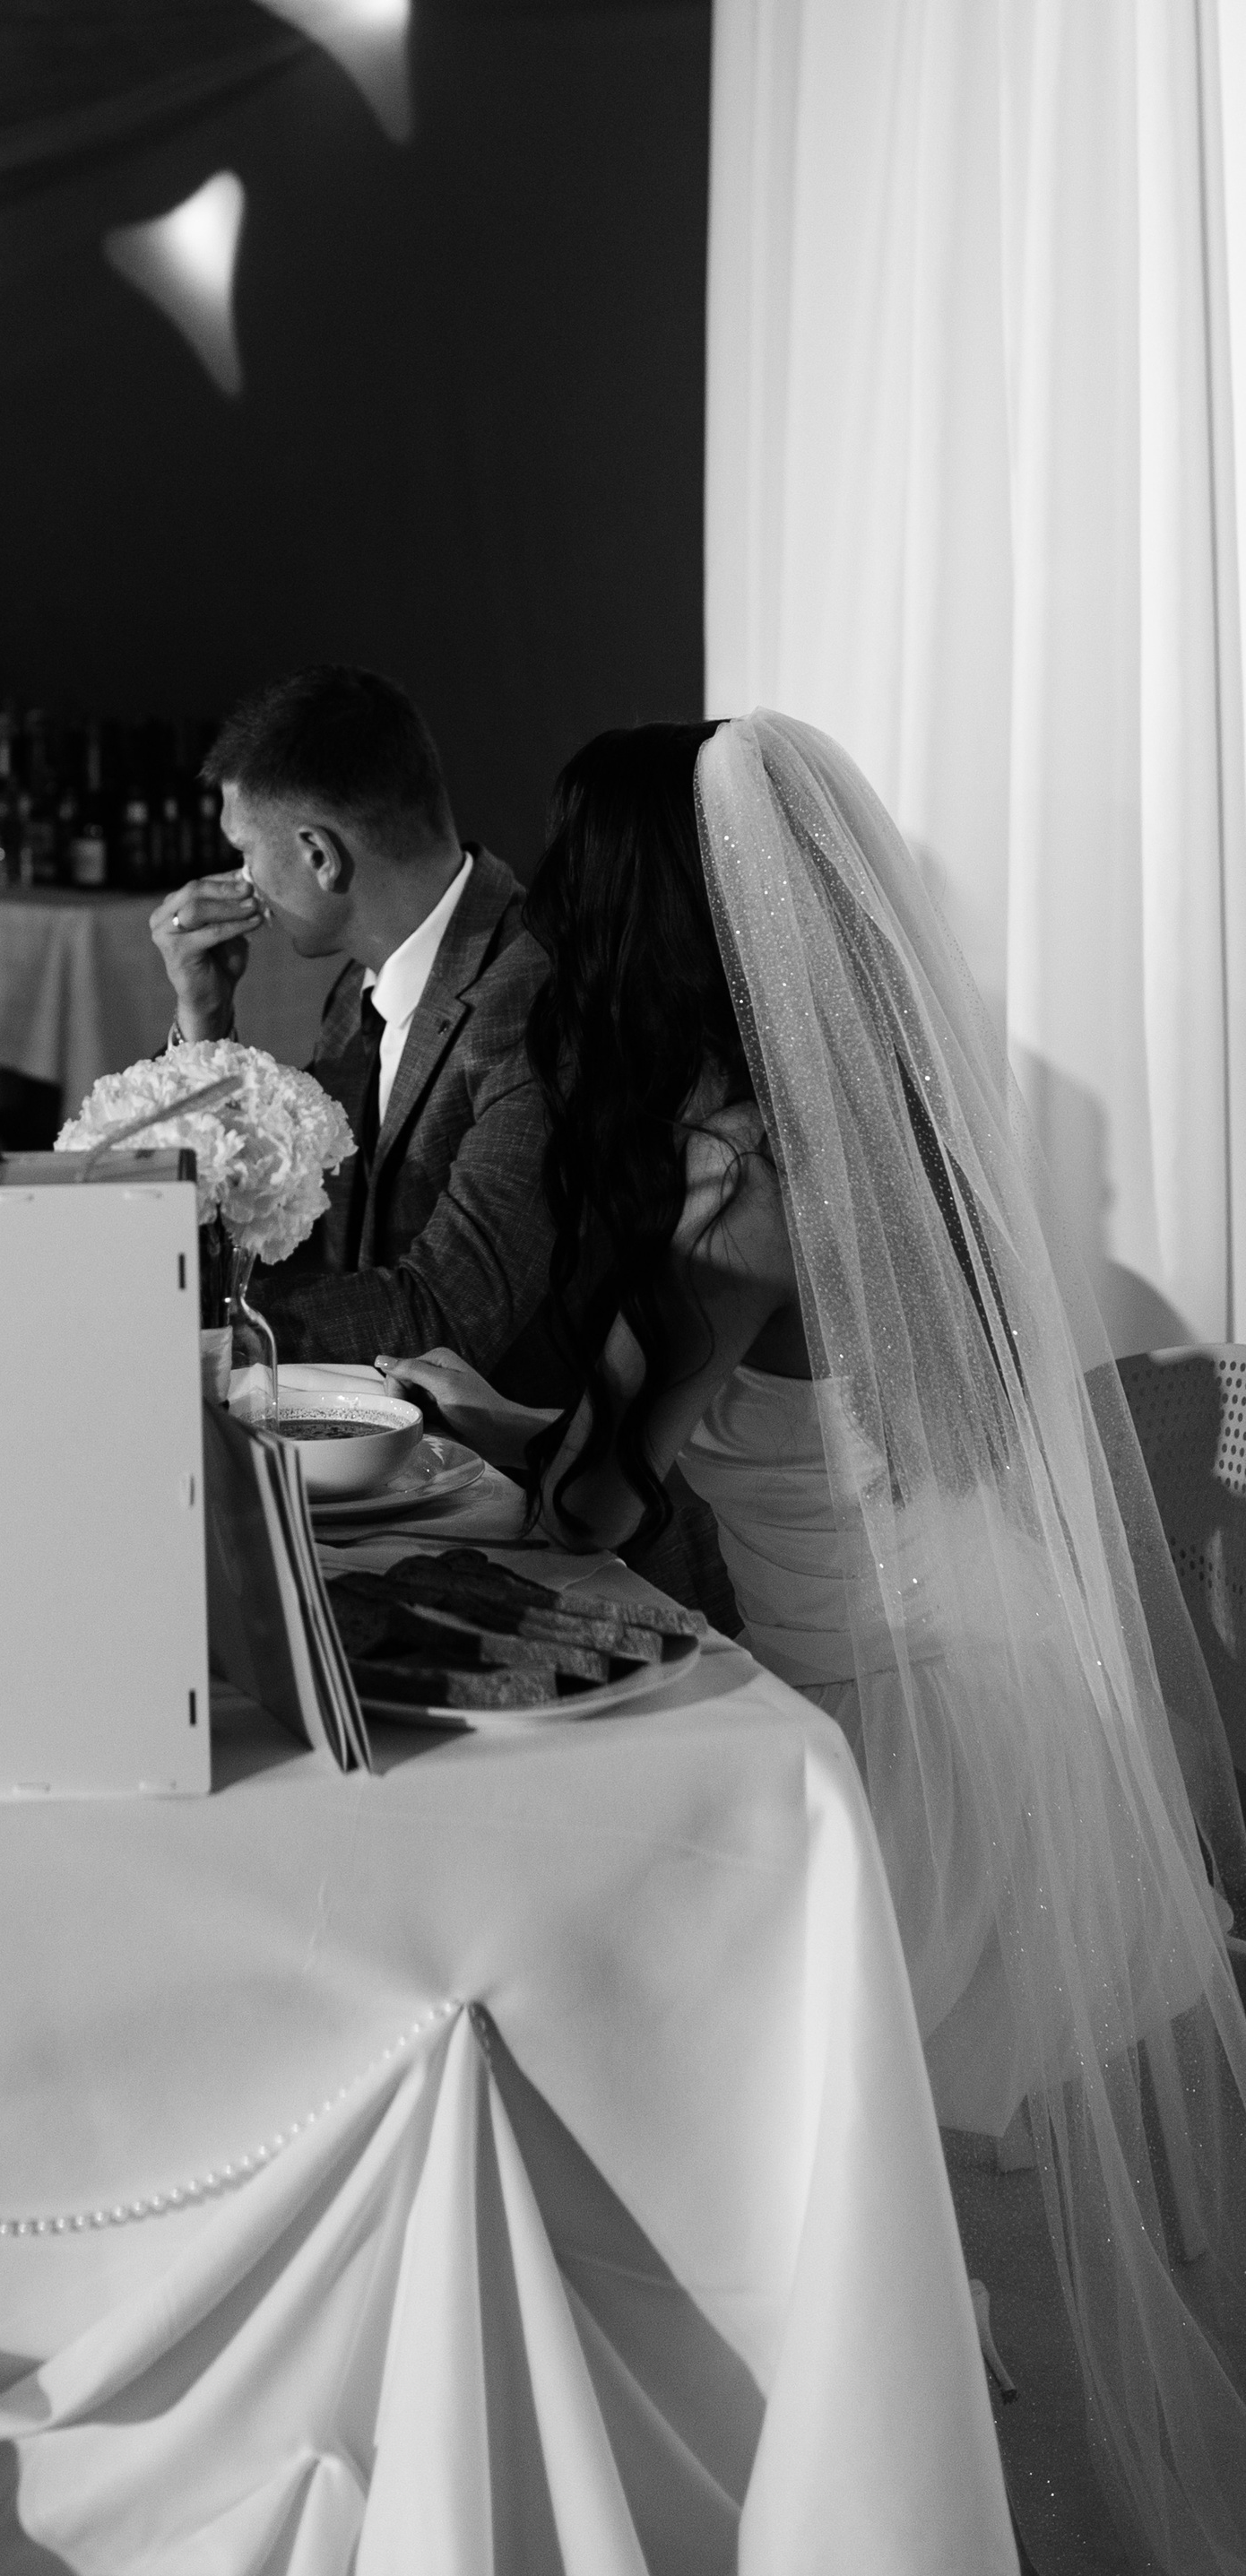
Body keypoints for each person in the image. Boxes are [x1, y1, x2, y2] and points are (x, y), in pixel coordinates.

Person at [386, 713, 1246, 2576]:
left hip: (896, 1741)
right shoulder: (875, 1131)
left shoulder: (727, 1183)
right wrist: (504, 1417)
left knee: (866, 2228)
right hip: (1007, 1698)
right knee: (961, 2244)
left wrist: (462, 1435)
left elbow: (597, 1503)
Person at [151, 666, 551, 1381]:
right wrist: (204, 1019)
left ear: (320, 855)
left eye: (245, 851)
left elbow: (448, 1311)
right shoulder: (358, 989)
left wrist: (201, 1327)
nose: (240, 880)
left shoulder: (530, 1000)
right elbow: (285, 1211)